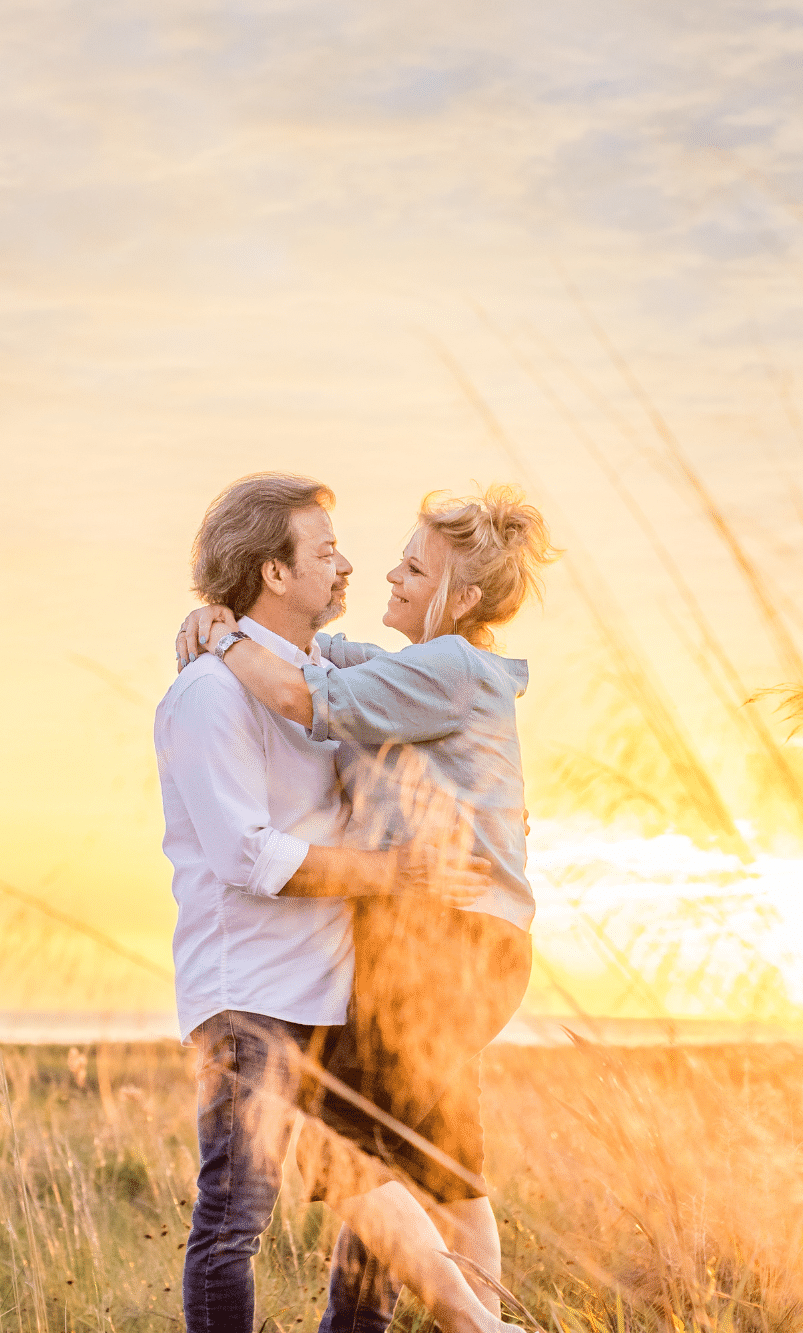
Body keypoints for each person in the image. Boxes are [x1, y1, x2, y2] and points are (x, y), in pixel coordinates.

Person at [175, 484, 558, 1333]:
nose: (385, 570)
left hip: (440, 937)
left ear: (458, 599)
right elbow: (320, 658)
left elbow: (301, 695)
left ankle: (475, 1324)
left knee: (338, 1148)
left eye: (413, 567)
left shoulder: (452, 667)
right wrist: (223, 627)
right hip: (439, 938)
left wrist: (227, 633)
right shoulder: (418, 672)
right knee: (444, 1162)